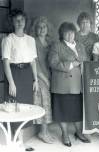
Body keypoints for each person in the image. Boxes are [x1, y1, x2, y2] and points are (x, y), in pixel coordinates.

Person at [1, 9, 38, 151]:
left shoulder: (31, 40)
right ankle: (14, 143)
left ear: (25, 22)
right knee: (13, 108)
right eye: (16, 20)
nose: (19, 22)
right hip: (14, 74)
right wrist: (11, 82)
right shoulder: (8, 39)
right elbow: (5, 62)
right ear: (12, 22)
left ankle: (21, 142)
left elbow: (33, 61)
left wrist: (36, 80)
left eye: (22, 20)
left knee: (24, 109)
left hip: (27, 75)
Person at [48, 22, 89, 147]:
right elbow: (53, 63)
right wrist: (72, 64)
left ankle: (78, 132)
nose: (70, 35)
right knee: (62, 111)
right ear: (62, 34)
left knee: (77, 110)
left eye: (72, 32)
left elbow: (86, 61)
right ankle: (64, 134)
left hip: (78, 84)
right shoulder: (56, 46)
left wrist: (82, 64)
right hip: (62, 84)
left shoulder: (80, 46)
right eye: (67, 32)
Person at [29, 16, 54, 144]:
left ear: (47, 28)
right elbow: (35, 63)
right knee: (43, 103)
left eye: (44, 27)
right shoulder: (33, 41)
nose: (42, 29)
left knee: (48, 104)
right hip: (39, 76)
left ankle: (46, 131)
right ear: (35, 29)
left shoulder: (50, 42)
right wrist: (45, 79)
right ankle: (42, 132)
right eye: (39, 27)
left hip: (49, 75)